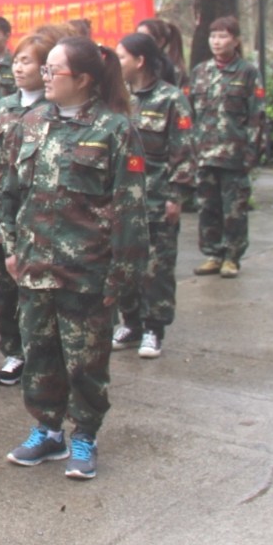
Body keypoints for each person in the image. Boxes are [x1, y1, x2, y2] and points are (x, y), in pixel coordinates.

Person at [0, 38, 147, 481]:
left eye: (53, 70)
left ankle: (85, 434)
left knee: (85, 361)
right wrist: (10, 248)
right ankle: (47, 431)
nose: (44, 76)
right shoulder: (30, 123)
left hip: (87, 271)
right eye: (44, 68)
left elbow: (130, 209)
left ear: (82, 79)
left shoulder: (115, 130)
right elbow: (8, 191)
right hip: (34, 264)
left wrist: (122, 275)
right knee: (39, 353)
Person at [0, 26, 63, 386]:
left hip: (38, 216)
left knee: (38, 291)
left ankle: (41, 355)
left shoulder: (55, 111)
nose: (18, 68)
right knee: (5, 289)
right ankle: (13, 351)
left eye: (27, 62)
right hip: (1, 212)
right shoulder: (2, 107)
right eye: (16, 61)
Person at [113, 33, 195, 357]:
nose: (117, 63)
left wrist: (176, 195)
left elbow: (183, 151)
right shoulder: (118, 97)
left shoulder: (171, 99)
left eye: (121, 57)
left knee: (156, 268)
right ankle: (131, 322)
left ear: (139, 61)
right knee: (123, 263)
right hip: (122, 198)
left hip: (157, 196)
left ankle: (153, 328)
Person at [188, 16, 266, 277]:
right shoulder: (200, 72)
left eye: (223, 36)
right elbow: (190, 114)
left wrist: (252, 152)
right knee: (207, 207)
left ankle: (232, 256)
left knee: (234, 208)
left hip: (234, 153)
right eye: (213, 36)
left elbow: (257, 116)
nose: (217, 41)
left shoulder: (248, 73)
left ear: (236, 40)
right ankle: (213, 254)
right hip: (204, 153)